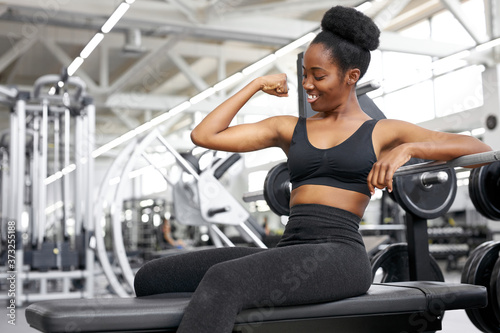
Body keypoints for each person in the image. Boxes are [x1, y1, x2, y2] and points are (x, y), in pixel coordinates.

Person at [134, 6, 491, 333]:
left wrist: (409, 149)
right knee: (151, 277)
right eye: (305, 74)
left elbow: (479, 148)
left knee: (226, 281)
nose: (306, 85)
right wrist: (256, 84)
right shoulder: (290, 128)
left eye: (318, 76)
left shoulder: (382, 131)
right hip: (291, 247)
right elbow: (204, 134)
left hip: (341, 255)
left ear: (351, 76)